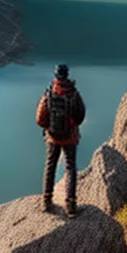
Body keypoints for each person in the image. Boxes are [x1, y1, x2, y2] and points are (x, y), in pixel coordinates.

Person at [36, 63, 86, 217]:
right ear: (67, 75)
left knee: (50, 166)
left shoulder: (50, 92)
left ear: (56, 75)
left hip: (52, 137)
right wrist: (71, 124)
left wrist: (49, 127)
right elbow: (80, 116)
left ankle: (47, 201)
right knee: (70, 168)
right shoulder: (73, 93)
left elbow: (40, 119)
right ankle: (71, 205)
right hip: (69, 137)